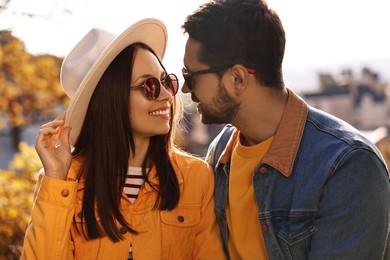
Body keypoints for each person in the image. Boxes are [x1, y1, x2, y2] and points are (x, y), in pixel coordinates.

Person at [180, 0, 390, 259]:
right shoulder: (221, 152)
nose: (185, 90)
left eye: (191, 77)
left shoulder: (348, 166)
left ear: (237, 79)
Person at [20, 18, 225, 259]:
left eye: (165, 81)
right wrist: (55, 178)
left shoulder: (196, 177)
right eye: (148, 85)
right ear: (110, 100)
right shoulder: (63, 182)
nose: (165, 95)